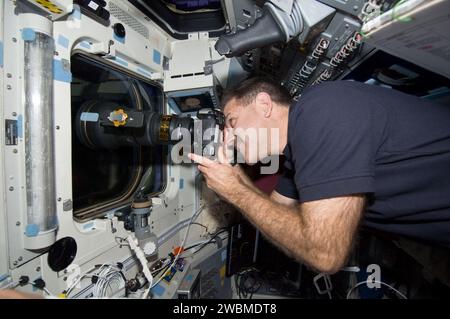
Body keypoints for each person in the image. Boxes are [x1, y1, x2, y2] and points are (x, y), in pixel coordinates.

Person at [189, 77, 450, 274]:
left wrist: (236, 191)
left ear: (263, 104)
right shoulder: (295, 155)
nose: (228, 137)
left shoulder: (323, 110)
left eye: (232, 122)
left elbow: (325, 253)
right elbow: (274, 211)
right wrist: (235, 179)